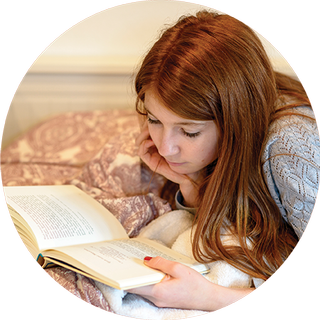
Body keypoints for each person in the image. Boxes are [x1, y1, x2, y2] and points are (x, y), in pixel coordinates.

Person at [129, 10, 320, 311]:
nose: (165, 148)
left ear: (237, 121)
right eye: (154, 120)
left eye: (189, 132)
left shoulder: (291, 150)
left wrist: (210, 299)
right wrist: (191, 185)